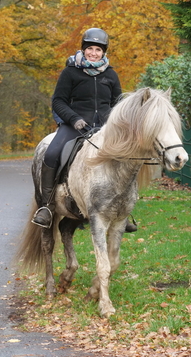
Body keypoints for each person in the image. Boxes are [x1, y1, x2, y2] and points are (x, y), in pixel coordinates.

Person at [32, 27, 137, 232]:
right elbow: (58, 101)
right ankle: (47, 207)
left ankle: (122, 212)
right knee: (52, 154)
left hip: (106, 129)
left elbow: (117, 103)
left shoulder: (111, 74)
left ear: (103, 52)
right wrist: (74, 119)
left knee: (125, 158)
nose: (93, 53)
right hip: (75, 126)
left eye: (98, 50)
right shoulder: (70, 72)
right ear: (84, 49)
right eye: (90, 49)